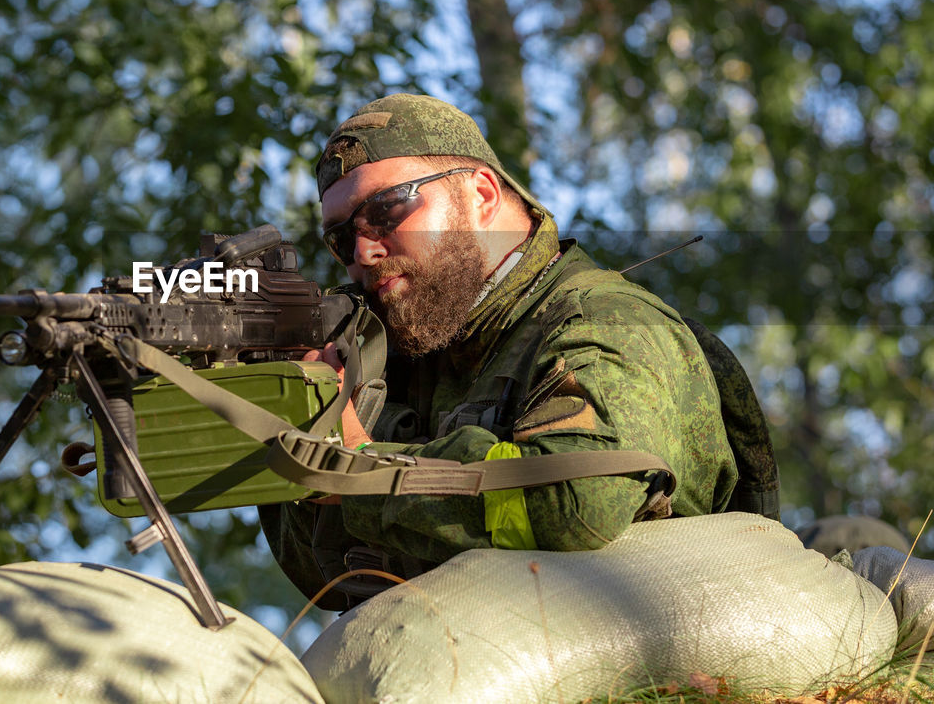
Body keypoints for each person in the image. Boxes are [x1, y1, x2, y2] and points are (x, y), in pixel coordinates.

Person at [259, 93, 740, 609]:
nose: (363, 252)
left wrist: (355, 466)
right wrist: (286, 416)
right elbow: (323, 576)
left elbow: (579, 502)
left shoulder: (610, 322)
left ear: (482, 195)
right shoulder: (400, 348)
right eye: (340, 237)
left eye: (384, 210)